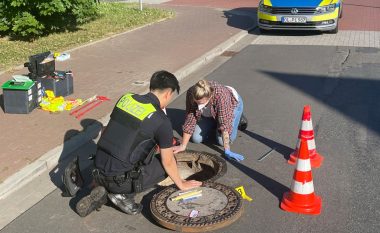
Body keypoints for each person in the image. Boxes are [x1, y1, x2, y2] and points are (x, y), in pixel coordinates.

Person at [75, 71, 202, 217]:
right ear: (168, 93)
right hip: (119, 181)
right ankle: (122, 194)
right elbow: (167, 161)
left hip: (97, 170)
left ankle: (101, 185)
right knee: (166, 162)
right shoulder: (162, 120)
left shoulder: (126, 98)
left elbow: (106, 131)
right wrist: (181, 183)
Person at [173, 80, 247, 161]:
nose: (198, 106)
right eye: (196, 103)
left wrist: (227, 150)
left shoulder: (222, 97)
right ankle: (215, 120)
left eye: (201, 103)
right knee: (196, 138)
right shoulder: (191, 93)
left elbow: (224, 125)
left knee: (221, 141)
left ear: (210, 96)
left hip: (231, 104)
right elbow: (190, 119)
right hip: (210, 110)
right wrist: (183, 145)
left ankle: (238, 117)